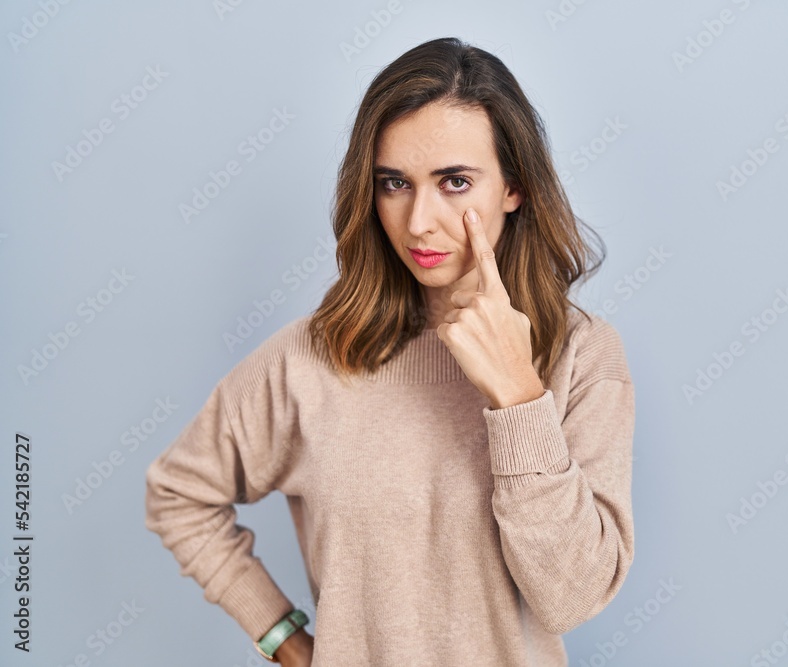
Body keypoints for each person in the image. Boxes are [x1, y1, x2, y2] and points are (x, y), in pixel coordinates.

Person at [145, 36, 636, 666]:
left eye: (455, 181)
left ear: (514, 187)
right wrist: (284, 639)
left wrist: (517, 397)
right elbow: (178, 492)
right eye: (394, 183)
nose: (419, 220)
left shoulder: (584, 356)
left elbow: (573, 596)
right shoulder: (308, 360)